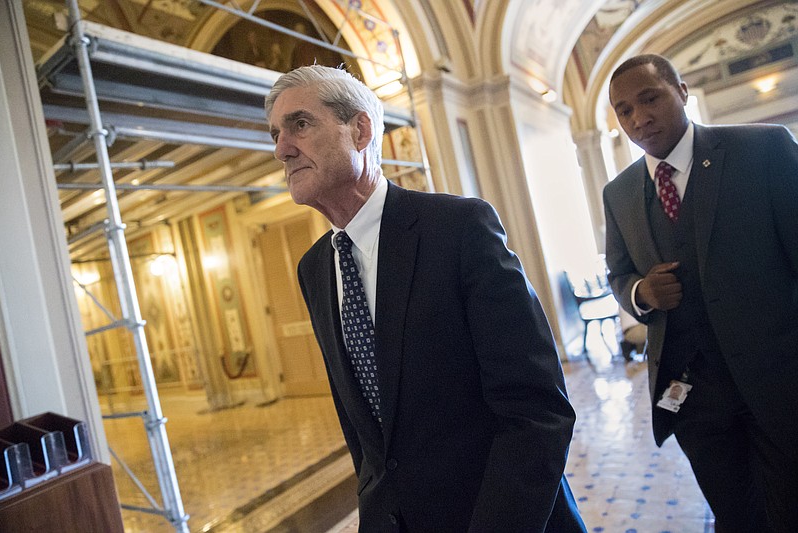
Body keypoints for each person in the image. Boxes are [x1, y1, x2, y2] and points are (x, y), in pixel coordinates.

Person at [265, 65, 586, 532]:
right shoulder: (313, 269)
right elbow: (364, 434)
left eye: (299, 124)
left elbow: (537, 412)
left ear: (360, 129)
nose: (281, 149)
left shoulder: (459, 230)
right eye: (275, 134)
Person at [603, 54, 798, 532]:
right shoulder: (619, 193)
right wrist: (642, 294)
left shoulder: (764, 150)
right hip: (693, 399)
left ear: (683, 91)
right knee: (735, 517)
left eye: (650, 98)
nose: (639, 118)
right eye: (624, 110)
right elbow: (619, 275)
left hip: (779, 383)